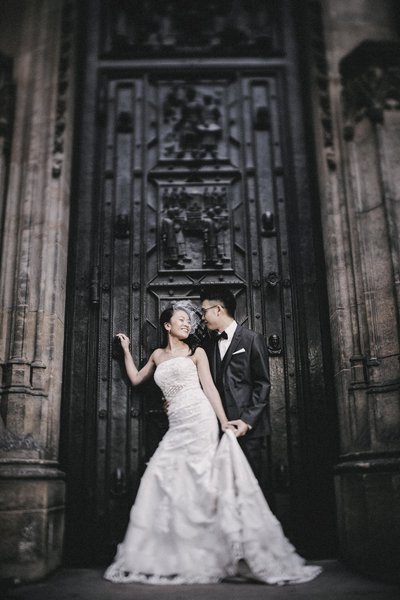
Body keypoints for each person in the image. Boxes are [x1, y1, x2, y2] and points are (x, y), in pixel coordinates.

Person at [104, 300, 321, 586]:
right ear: (167, 325)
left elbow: (210, 388)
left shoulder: (198, 353)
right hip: (177, 423)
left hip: (201, 418)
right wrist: (126, 350)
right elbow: (135, 379)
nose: (186, 323)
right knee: (164, 475)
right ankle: (179, 555)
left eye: (188, 321)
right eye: (180, 320)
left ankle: (216, 552)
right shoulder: (157, 355)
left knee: (202, 479)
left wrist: (222, 422)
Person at [199, 286, 269, 482]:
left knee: (250, 485)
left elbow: (262, 384)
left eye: (204, 311)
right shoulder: (207, 345)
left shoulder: (252, 339)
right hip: (215, 428)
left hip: (247, 430)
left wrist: (247, 421)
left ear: (218, 310)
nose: (202, 317)